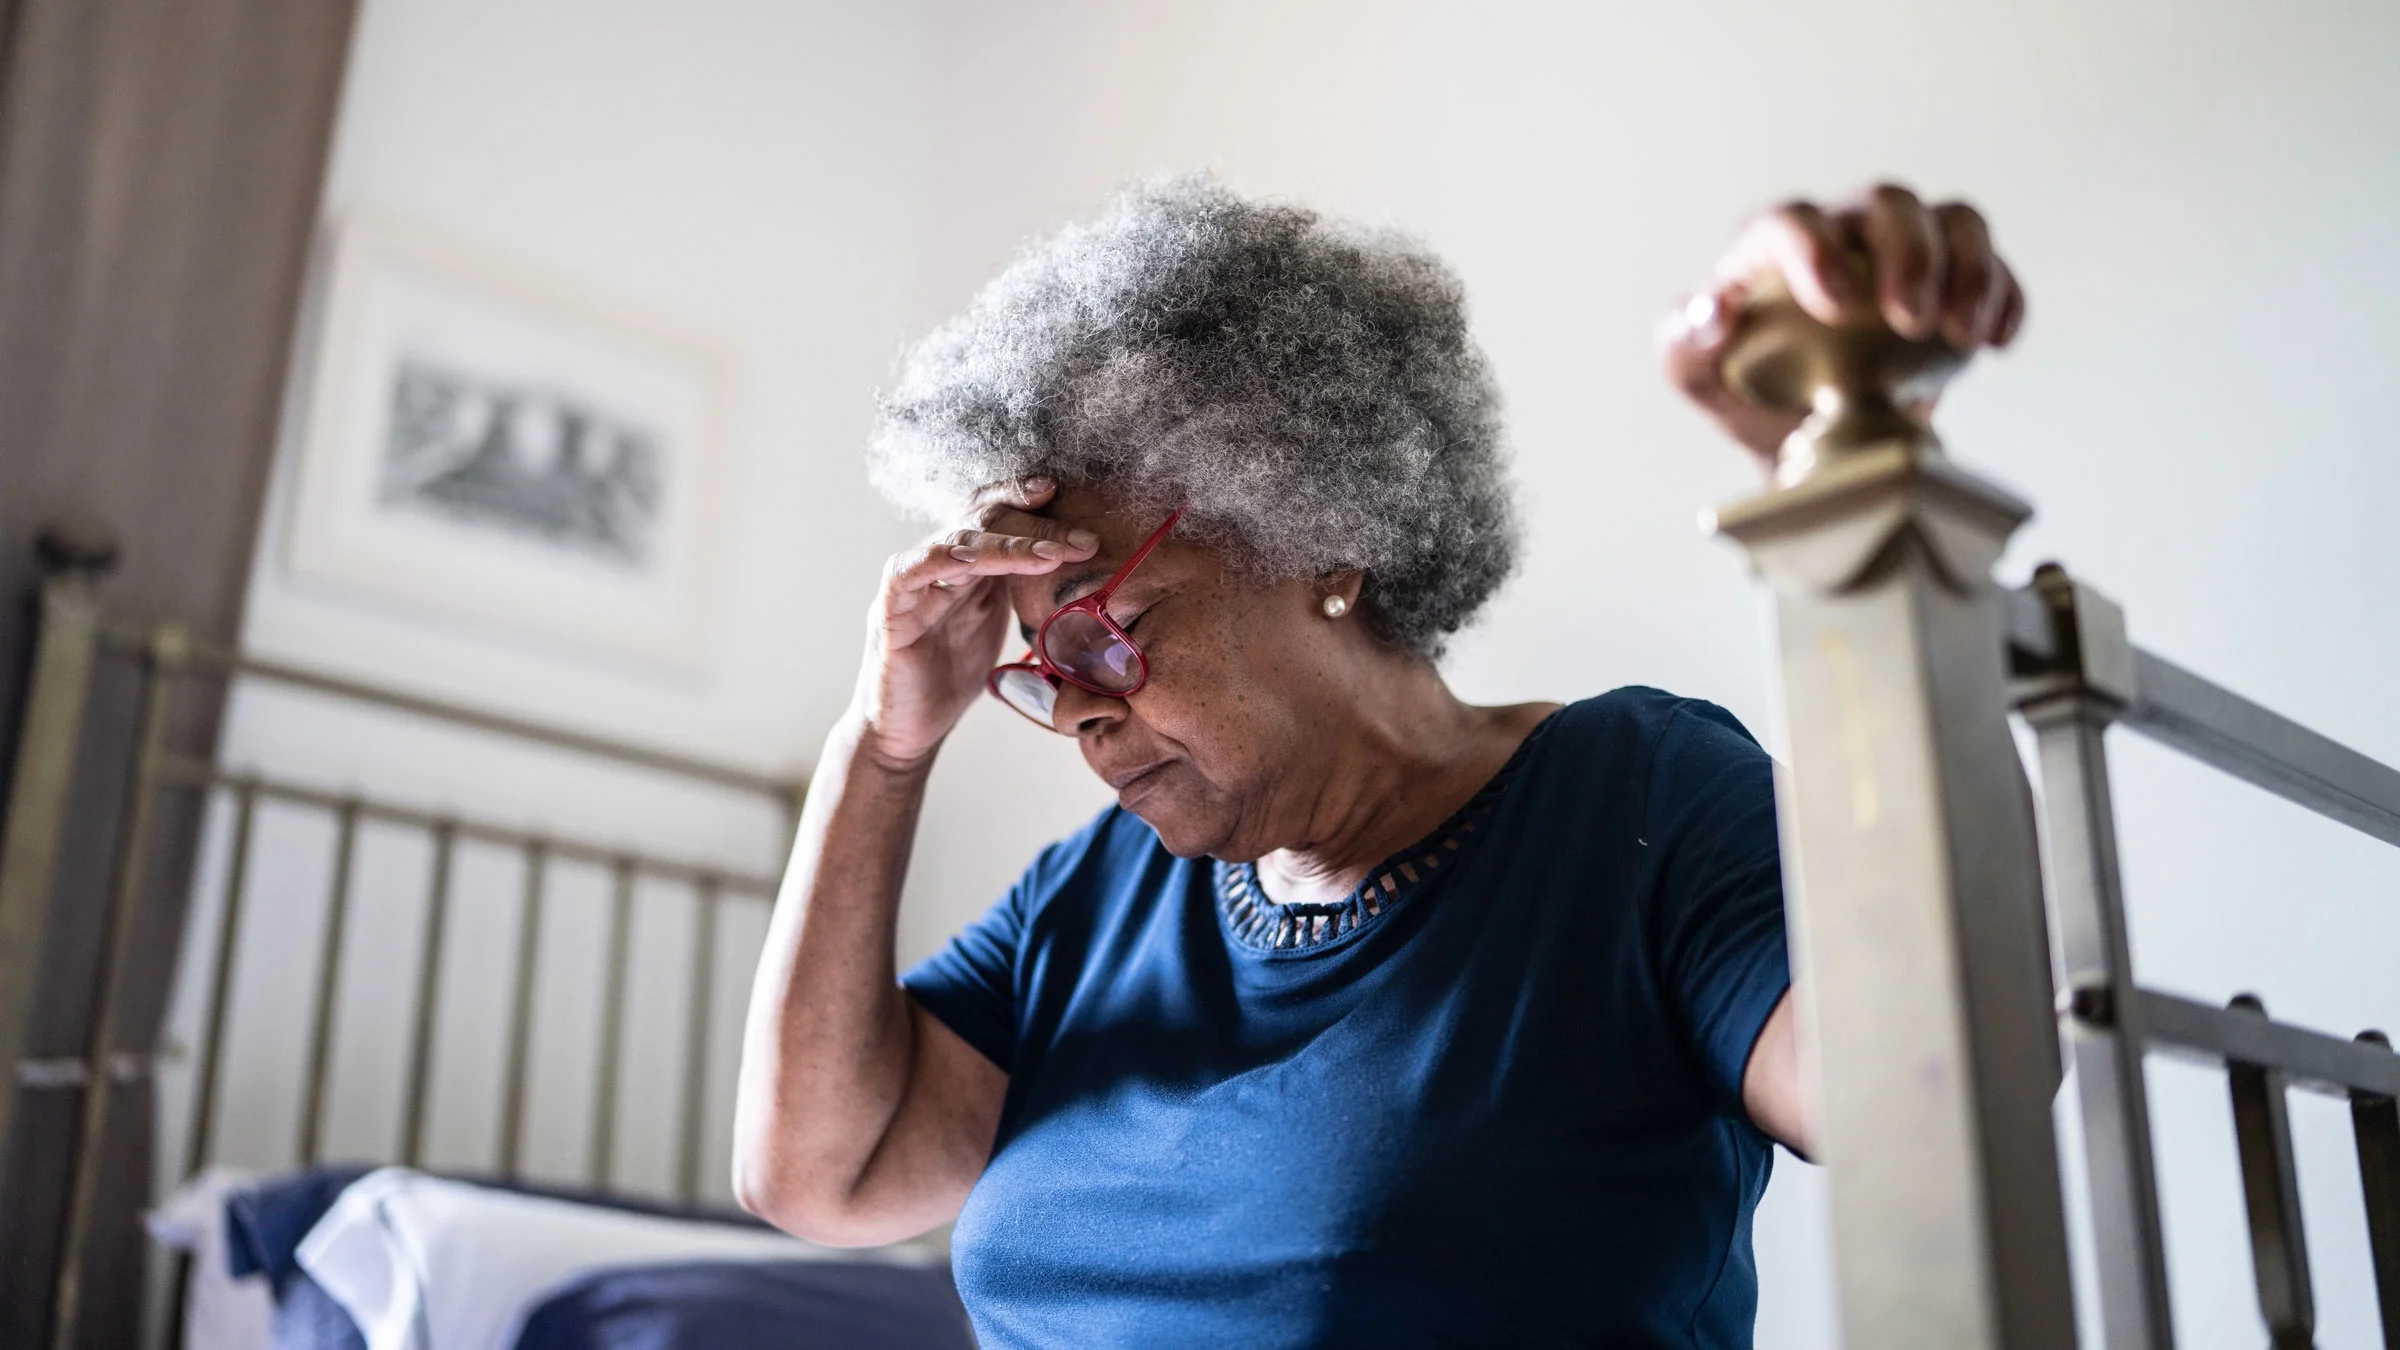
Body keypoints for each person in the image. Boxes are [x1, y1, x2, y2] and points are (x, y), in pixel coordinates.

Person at [734, 176, 2025, 1347]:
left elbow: (1929, 1083)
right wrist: (885, 745)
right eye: (1039, 664)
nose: (1074, 712)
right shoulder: (1095, 898)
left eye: (1105, 632)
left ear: (1322, 539)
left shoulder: (1636, 802)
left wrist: (1845, 471)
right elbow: (818, 1172)